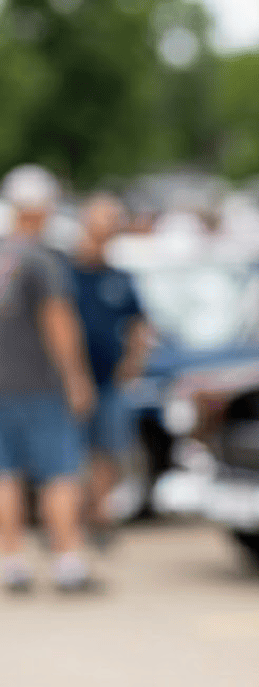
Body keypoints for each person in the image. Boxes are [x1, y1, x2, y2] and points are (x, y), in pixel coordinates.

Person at [0, 164, 97, 592]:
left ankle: (11, 559)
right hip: (40, 385)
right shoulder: (42, 259)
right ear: (40, 209)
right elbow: (58, 322)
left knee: (6, 474)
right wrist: (77, 378)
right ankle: (66, 560)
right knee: (60, 472)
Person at [69, 193, 151, 543]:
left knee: (108, 450)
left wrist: (132, 364)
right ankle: (69, 521)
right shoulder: (64, 275)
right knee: (69, 453)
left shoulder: (120, 277)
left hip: (108, 380)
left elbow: (139, 324)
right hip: (67, 380)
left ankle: (97, 518)